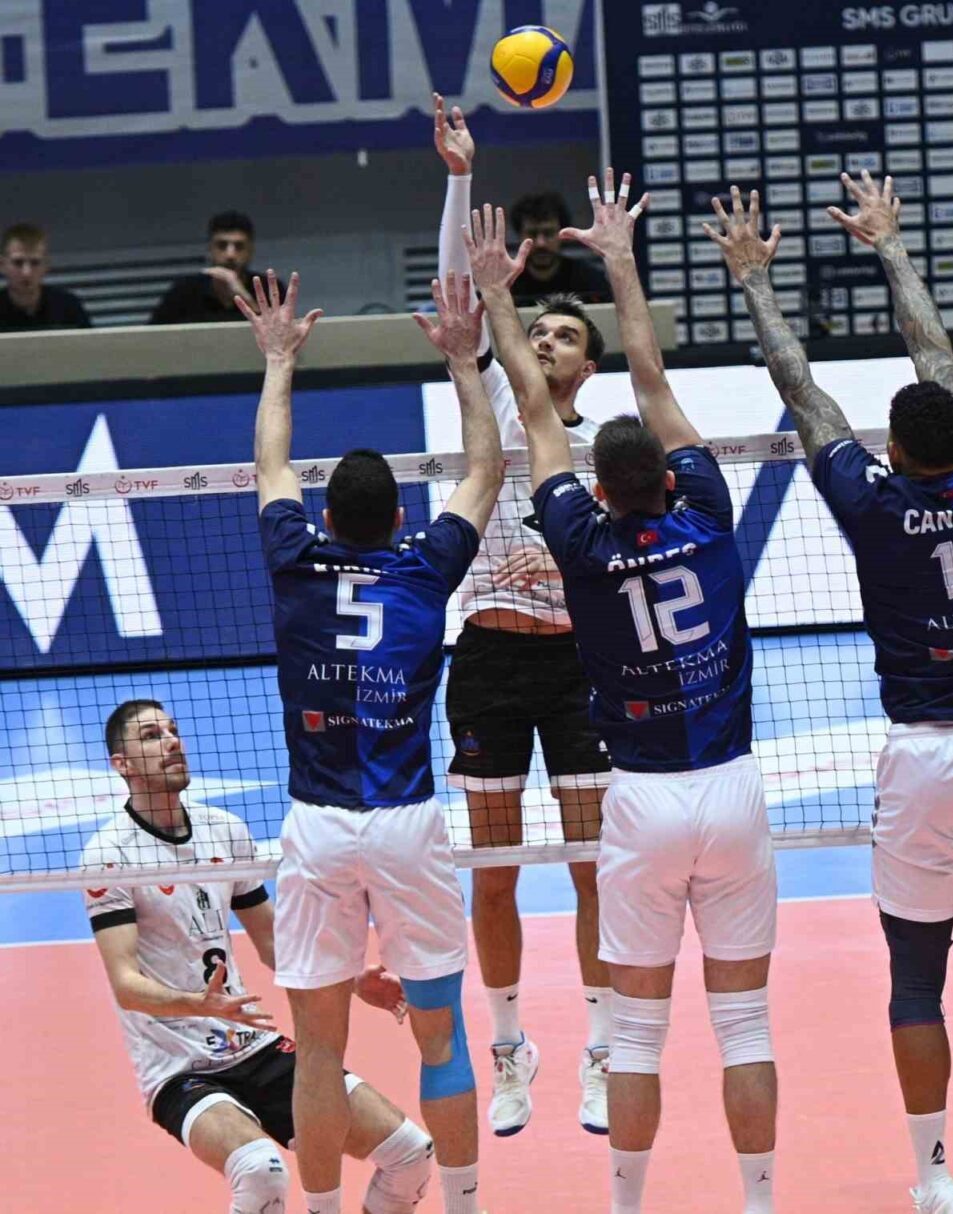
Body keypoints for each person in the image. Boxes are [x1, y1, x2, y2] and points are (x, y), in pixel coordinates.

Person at [711, 173, 953, 1214]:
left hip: (924, 754)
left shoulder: (871, 502)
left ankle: (932, 1176)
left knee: (915, 980)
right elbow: (934, 357)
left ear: (895, 452)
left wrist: (754, 280)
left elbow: (802, 390)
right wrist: (891, 246)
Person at [466, 175, 779, 1214]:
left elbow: (534, 406)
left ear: (596, 491)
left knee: (639, 1034)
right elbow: (649, 374)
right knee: (745, 1027)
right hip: (730, 788)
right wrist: (623, 260)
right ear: (674, 476)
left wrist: (496, 293)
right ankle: (759, 1201)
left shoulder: (581, 545)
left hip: (641, 798)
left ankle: (626, 1205)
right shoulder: (711, 516)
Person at [243, 266, 504, 1214]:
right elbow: (485, 473)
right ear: (399, 518)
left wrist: (279, 359)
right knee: (442, 1038)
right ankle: (465, 1206)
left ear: (325, 517)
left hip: (318, 828)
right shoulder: (425, 568)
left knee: (319, 1049)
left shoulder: (293, 558)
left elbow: (270, 468)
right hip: (405, 825)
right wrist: (465, 361)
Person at [434, 92, 613, 1137]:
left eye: (562, 334)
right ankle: (509, 1048)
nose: (544, 339)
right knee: (492, 873)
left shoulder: (612, 449)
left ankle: (601, 1048)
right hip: (489, 661)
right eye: (535, 328)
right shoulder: (500, 404)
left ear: (587, 364)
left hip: (577, 670)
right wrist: (461, 176)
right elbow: (461, 291)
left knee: (593, 870)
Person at [84, 698, 434, 1214]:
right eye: (152, 736)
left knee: (411, 1155)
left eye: (173, 730)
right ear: (122, 764)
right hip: (178, 1064)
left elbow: (275, 942)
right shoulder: (109, 856)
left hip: (252, 1044)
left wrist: (353, 977)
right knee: (260, 1172)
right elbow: (125, 985)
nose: (172, 742)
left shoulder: (224, 830)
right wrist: (199, 1004)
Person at [151, 211, 257, 325]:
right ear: (210, 249)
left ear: (250, 251)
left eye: (239, 246)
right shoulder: (184, 291)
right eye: (221, 246)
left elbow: (271, 332)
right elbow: (152, 333)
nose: (230, 255)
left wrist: (245, 298)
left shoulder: (265, 286)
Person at [508, 190, 611, 305]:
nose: (541, 243)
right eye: (532, 234)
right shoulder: (508, 283)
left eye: (549, 233)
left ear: (562, 234)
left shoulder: (590, 279)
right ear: (520, 235)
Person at [0, 222, 91, 331]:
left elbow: (92, 342)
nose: (27, 272)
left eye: (35, 263)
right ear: (2, 265)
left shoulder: (69, 306)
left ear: (46, 265)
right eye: (18, 263)